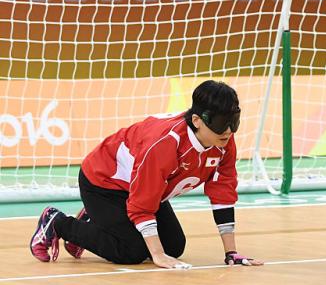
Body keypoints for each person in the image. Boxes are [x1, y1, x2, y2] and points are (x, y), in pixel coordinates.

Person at [30, 80, 263, 269]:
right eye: (223, 123)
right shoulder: (165, 144)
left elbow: (222, 193)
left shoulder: (222, 141)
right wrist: (157, 256)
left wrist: (231, 253)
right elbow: (142, 205)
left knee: (174, 246)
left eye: (234, 122)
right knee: (132, 251)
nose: (229, 131)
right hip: (104, 182)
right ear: (197, 121)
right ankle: (58, 222)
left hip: (145, 188)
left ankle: (94, 221)